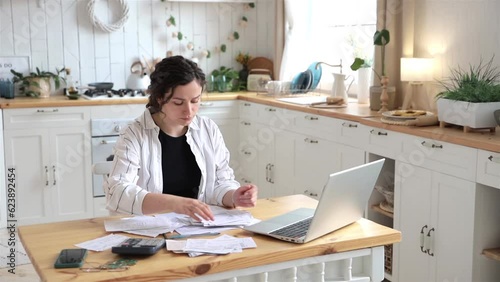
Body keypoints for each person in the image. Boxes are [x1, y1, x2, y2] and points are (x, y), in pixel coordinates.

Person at [105, 56, 258, 221]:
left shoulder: (208, 129)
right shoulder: (133, 134)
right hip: (152, 230)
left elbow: (221, 182)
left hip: (199, 229)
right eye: (178, 103)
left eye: (195, 101)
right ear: (159, 98)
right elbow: (117, 194)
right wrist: (175, 203)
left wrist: (235, 196)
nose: (189, 111)